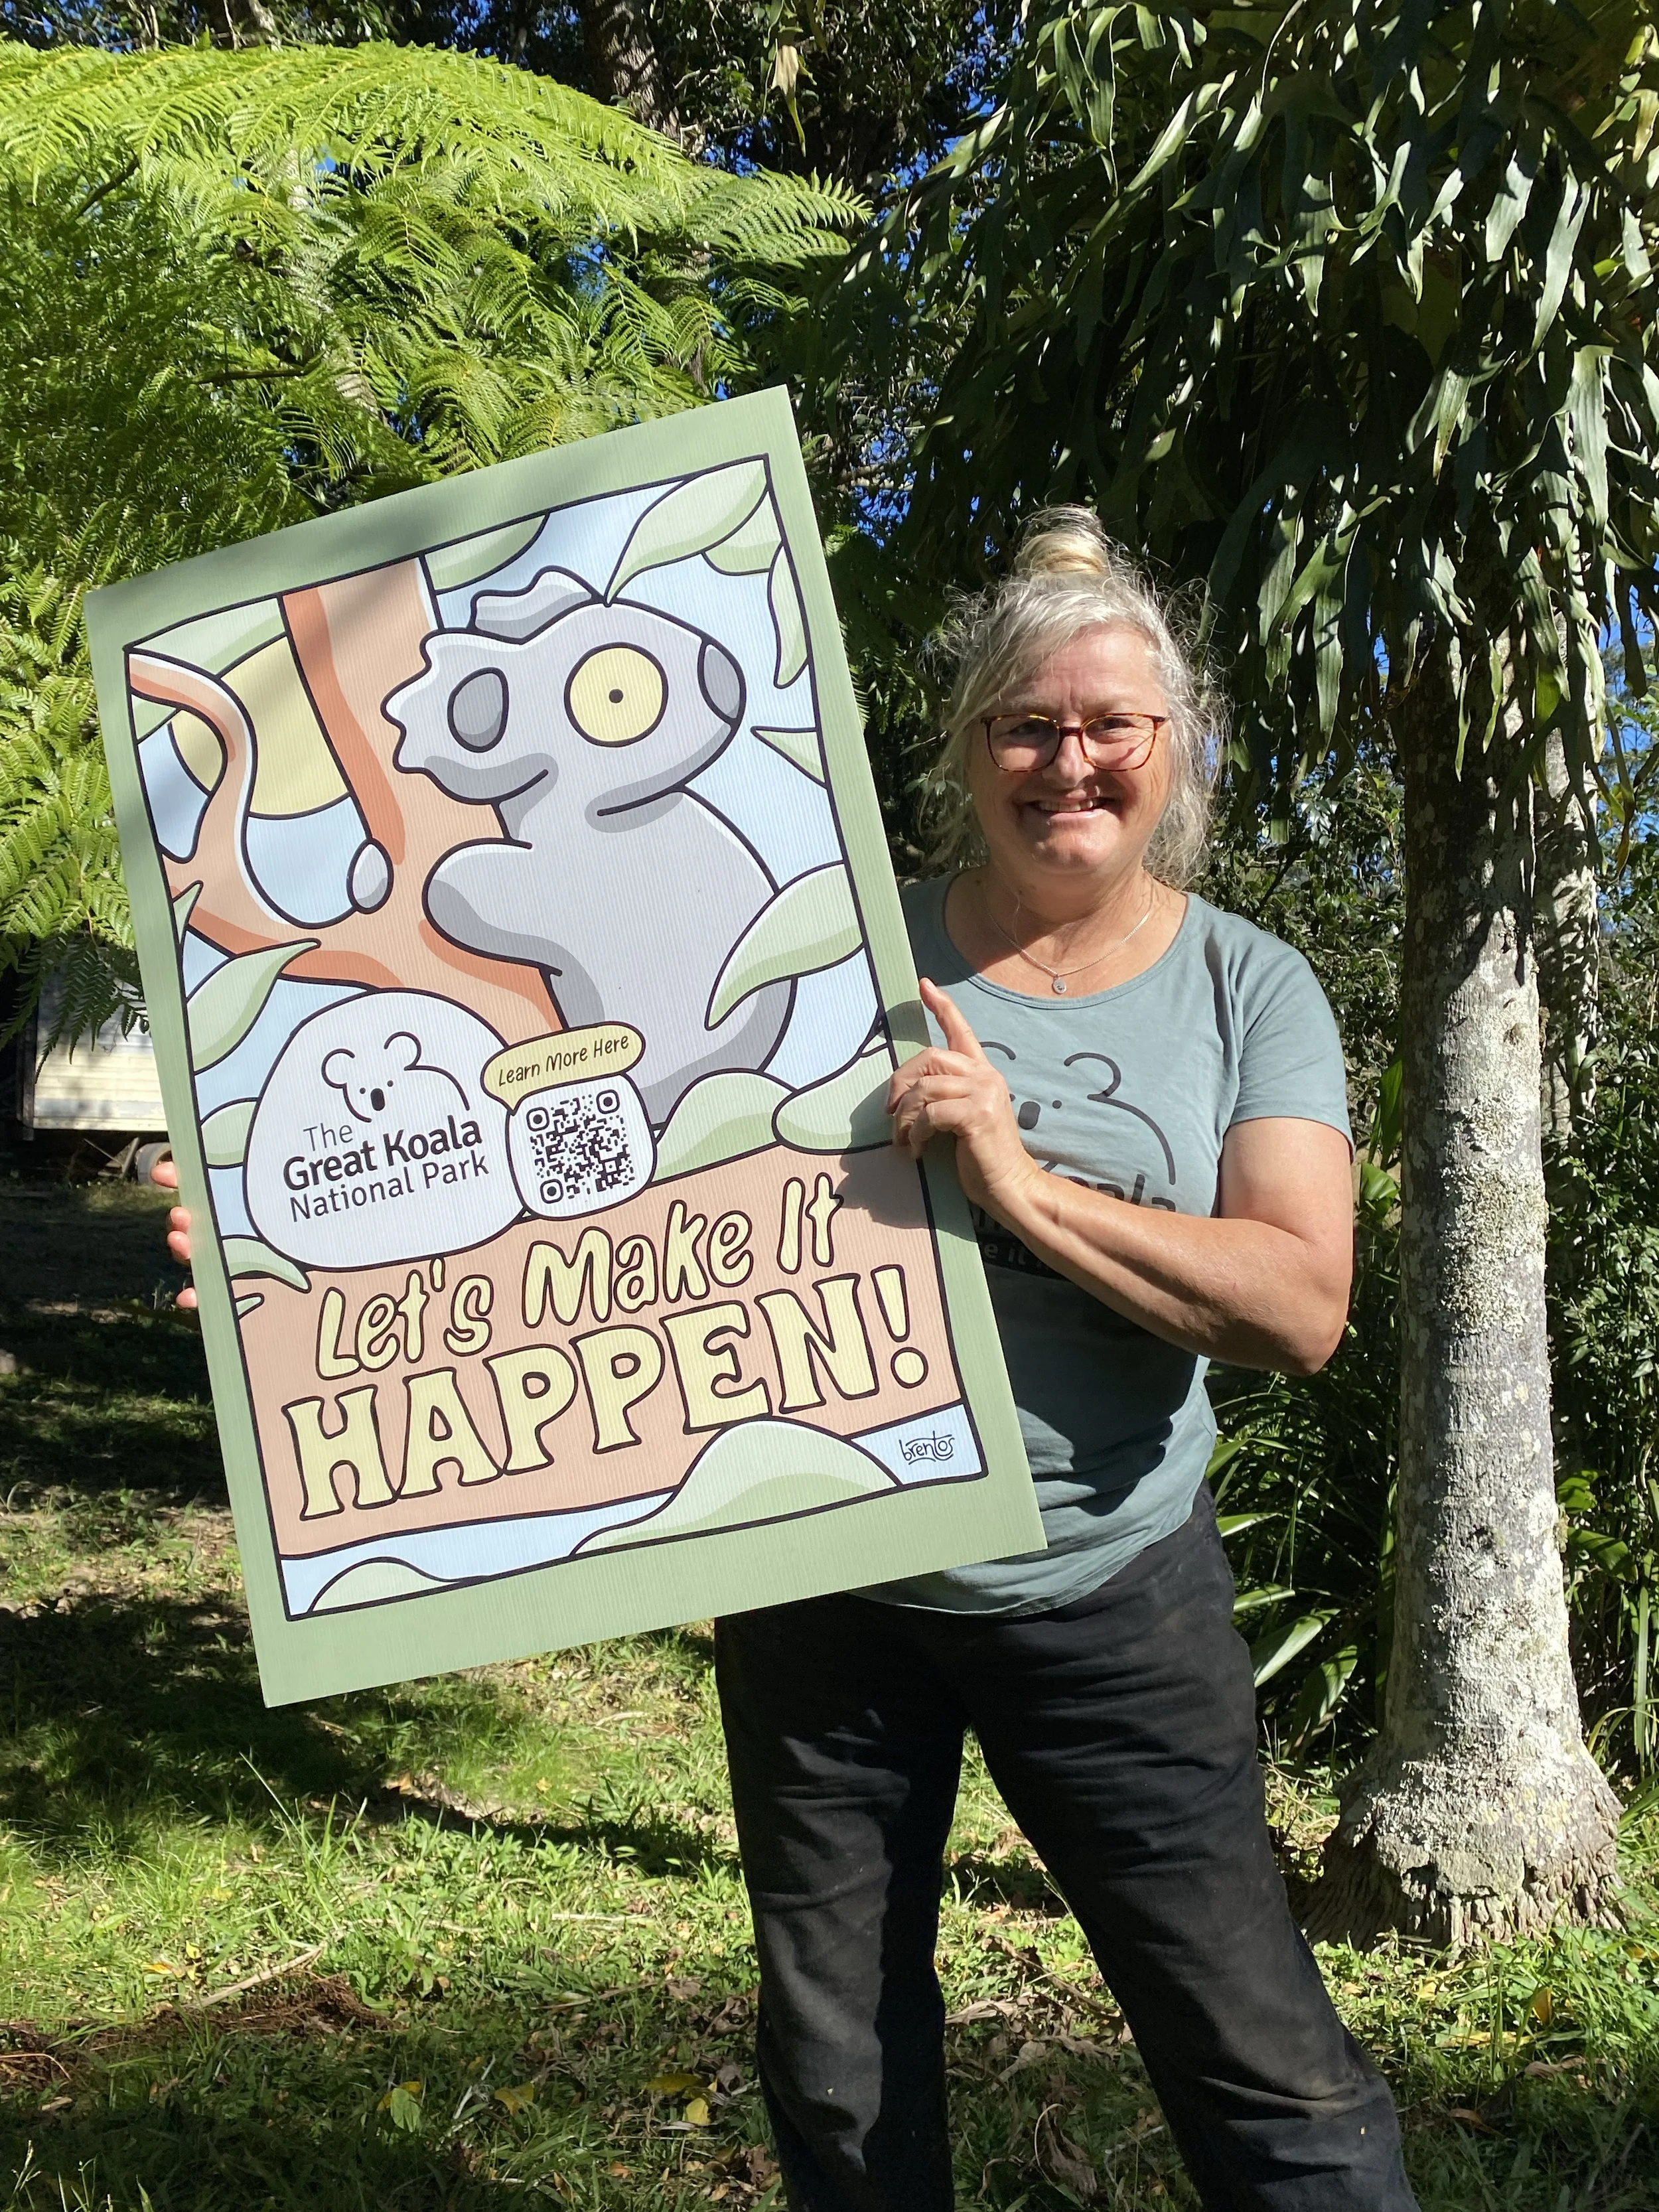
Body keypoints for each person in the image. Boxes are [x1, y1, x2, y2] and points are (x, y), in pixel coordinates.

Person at [157, 509, 1417, 2211]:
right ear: (965, 748)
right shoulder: (832, 947)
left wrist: (1022, 1186)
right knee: (837, 2069)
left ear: (1173, 748)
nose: (1069, 760)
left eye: (1110, 723)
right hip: (829, 1591)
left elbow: (1296, 1302)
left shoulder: (1246, 985)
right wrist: (283, 1248)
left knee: (1253, 2051)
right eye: (1025, 723)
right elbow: (583, 1150)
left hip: (1116, 1595)